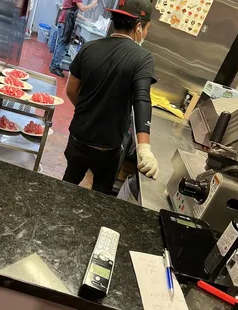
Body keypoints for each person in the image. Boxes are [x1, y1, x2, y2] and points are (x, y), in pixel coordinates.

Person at [63, 0, 159, 195]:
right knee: (100, 197)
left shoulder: (89, 47)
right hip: (107, 148)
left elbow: (71, 90)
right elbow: (142, 99)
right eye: (147, 27)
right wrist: (144, 148)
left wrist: (88, 111)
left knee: (67, 185)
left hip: (78, 138)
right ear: (139, 26)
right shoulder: (143, 58)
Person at [50, 0, 98, 77]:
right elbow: (82, 8)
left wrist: (84, 19)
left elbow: (73, 10)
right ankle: (55, 67)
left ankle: (54, 65)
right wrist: (92, 4)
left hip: (64, 20)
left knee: (60, 44)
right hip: (66, 21)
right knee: (63, 44)